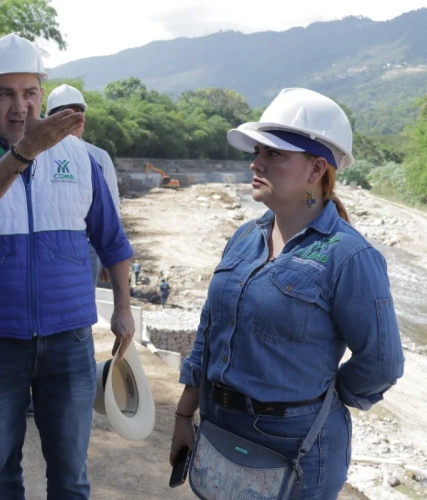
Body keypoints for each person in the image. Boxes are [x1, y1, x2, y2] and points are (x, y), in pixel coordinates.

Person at [169, 88, 405, 499]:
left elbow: (382, 363)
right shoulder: (245, 237)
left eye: (274, 153)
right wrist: (183, 413)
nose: (256, 162)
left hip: (295, 447)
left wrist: (321, 394)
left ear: (316, 169)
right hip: (220, 429)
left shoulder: (349, 257)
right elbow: (209, 330)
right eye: (258, 151)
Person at [0, 33, 135, 499]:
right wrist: (23, 153)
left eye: (29, 93)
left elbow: (112, 239)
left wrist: (124, 308)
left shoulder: (80, 158)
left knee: (71, 476)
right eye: (5, 94)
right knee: (1, 471)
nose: (20, 107)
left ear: (42, 95)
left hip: (69, 338)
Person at [45, 84, 120, 286]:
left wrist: (109, 257)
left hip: (88, 248)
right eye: (68, 114)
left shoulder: (99, 158)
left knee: (83, 302)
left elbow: (111, 210)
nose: (76, 119)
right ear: (50, 118)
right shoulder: (38, 154)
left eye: (79, 113)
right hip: (46, 246)